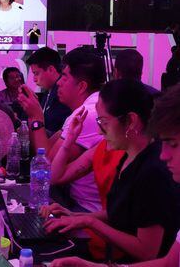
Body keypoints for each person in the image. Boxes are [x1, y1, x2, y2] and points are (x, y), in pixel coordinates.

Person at [49, 83, 180, 267]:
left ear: (131, 121)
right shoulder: (129, 156)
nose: (99, 130)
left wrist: (89, 221)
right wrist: (75, 217)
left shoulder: (153, 171)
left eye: (104, 122)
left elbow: (148, 252)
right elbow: (122, 213)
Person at [19, 47, 106, 212]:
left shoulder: (87, 112)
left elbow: (46, 167)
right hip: (76, 201)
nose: (59, 82)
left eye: (65, 76)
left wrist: (36, 118)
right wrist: (34, 117)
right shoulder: (86, 108)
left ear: (81, 86)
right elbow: (50, 151)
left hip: (84, 207)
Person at [26, 47, 71, 135]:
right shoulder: (48, 93)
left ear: (51, 69)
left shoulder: (62, 94)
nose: (34, 79)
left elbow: (60, 131)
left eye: (36, 73)